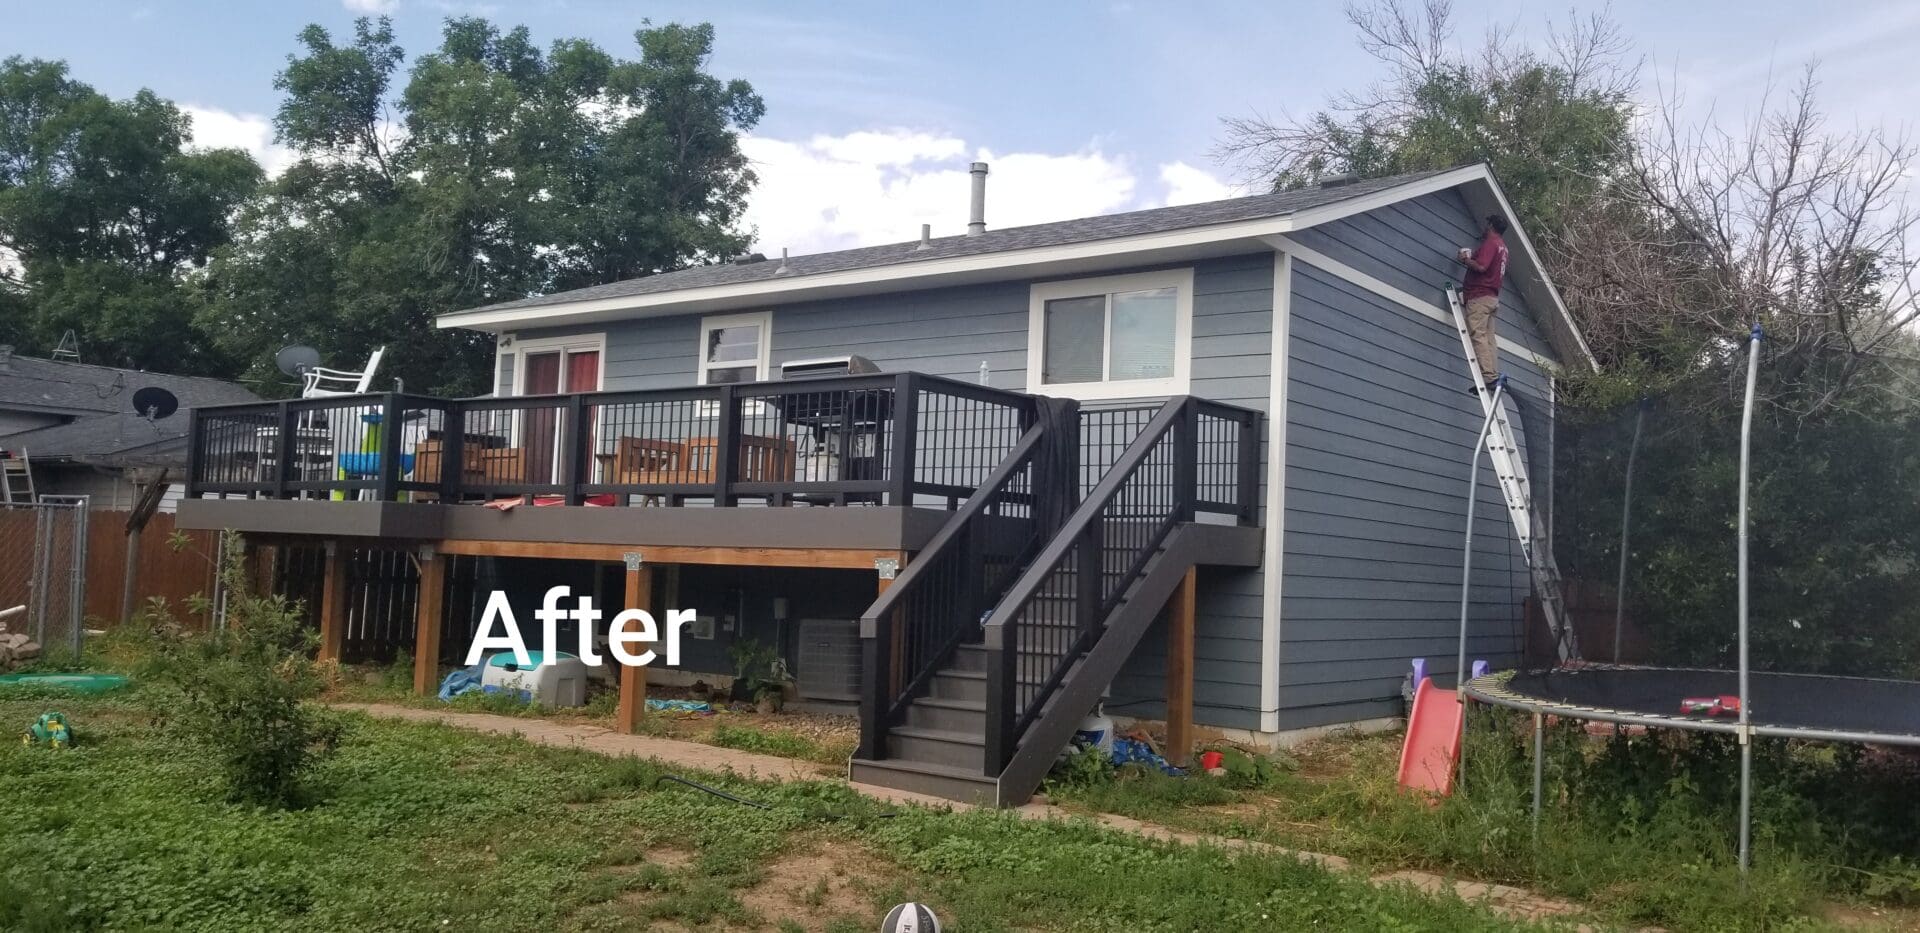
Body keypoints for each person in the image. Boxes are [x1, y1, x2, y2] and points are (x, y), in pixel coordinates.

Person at [1456, 214, 1510, 386]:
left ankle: (1488, 376)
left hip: (1479, 296)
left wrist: (1466, 259)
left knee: (1478, 335)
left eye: (1487, 223)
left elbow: (1481, 266)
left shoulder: (1491, 243)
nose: (1485, 227)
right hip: (1492, 298)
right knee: (1489, 338)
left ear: (1491, 225)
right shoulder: (1503, 247)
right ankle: (1492, 373)